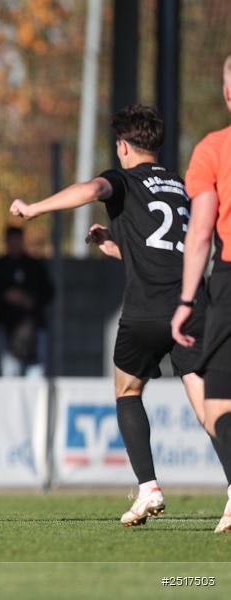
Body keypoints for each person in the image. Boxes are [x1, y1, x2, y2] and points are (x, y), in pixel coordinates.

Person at [10, 104, 231, 528]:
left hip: (146, 311)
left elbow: (91, 190)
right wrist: (114, 244)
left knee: (128, 391)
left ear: (123, 147)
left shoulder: (123, 179)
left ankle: (148, 488)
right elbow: (163, 250)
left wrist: (34, 208)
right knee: (209, 410)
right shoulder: (181, 186)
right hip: (193, 305)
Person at [170, 54, 231, 533]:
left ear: (227, 93)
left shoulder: (213, 150)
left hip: (228, 279)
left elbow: (201, 232)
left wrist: (188, 300)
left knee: (217, 401)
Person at [0, 226, 54, 377]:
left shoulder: (35, 266)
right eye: (11, 241)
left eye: (17, 241)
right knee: (9, 373)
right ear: (6, 242)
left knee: (36, 373)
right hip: (6, 329)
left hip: (33, 328)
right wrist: (6, 295)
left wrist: (30, 300)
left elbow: (49, 292)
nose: (14, 245)